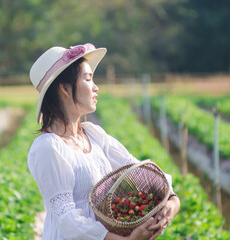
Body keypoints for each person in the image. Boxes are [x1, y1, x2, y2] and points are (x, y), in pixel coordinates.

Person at [28, 43, 180, 240]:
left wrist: (171, 202)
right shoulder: (49, 147)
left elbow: (142, 172)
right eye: (88, 79)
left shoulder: (94, 135)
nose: (95, 87)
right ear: (65, 88)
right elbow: (67, 220)